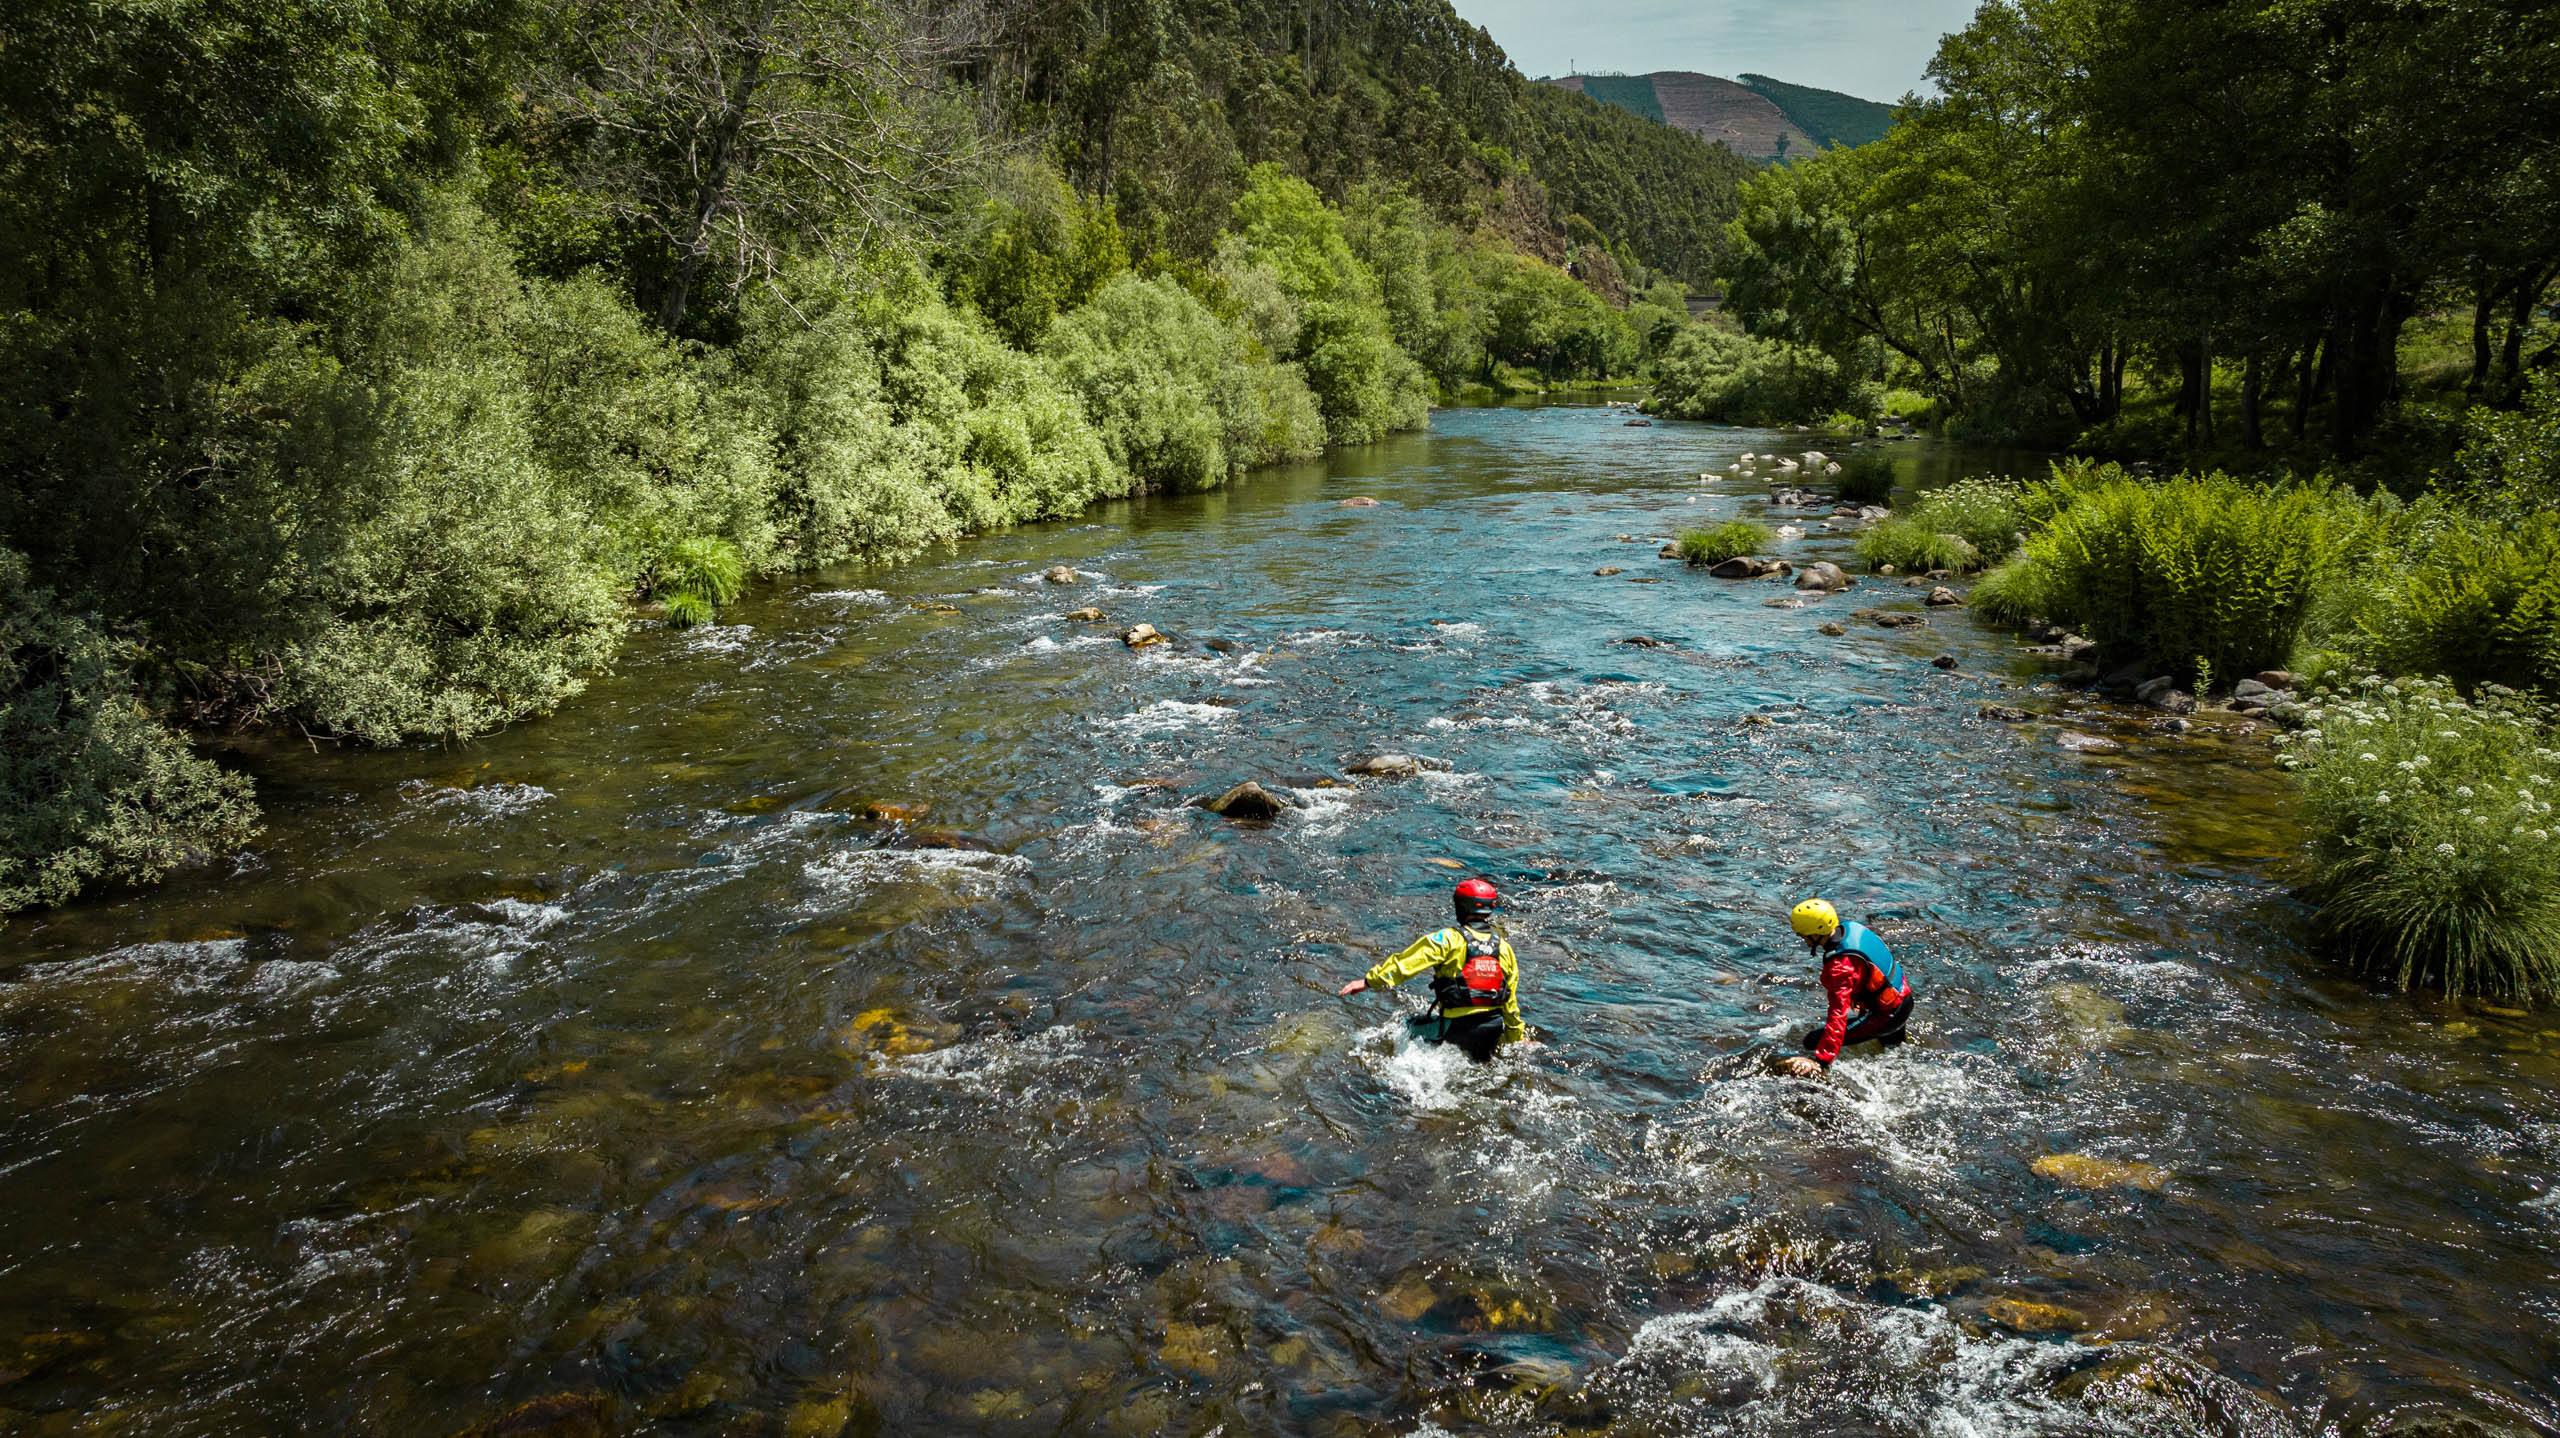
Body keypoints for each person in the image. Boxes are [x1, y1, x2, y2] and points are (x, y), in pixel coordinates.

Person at [1337, 878, 1527, 1062]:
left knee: (1405, 1027)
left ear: (1460, 907)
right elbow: (1510, 1000)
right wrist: (1516, 1038)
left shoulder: (1447, 939)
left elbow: (1407, 964)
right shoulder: (1505, 948)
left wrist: (1369, 981)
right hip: (1492, 1031)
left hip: (1455, 1029)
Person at [1777, 898, 1914, 1078]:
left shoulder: (1840, 967)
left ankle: (1822, 1078)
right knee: (1896, 1056)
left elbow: (1838, 1015)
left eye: (1802, 935)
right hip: (1903, 999)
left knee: (1813, 1040)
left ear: (1814, 933)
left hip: (1886, 1015)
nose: (1802, 939)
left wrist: (1822, 1060)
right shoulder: (1851, 928)